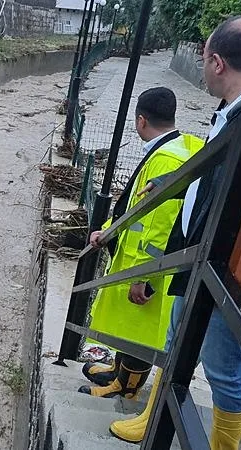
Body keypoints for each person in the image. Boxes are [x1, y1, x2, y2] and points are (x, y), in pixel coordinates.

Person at [108, 16, 241, 448]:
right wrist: (175, 183)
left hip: (228, 265)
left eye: (205, 61)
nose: (203, 70)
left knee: (222, 365)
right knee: (177, 340)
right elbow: (215, 173)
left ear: (217, 62)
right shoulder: (240, 109)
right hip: (200, 251)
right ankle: (153, 418)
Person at [76, 87, 204, 400]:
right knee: (131, 327)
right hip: (139, 261)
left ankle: (126, 387)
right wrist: (107, 230)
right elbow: (135, 206)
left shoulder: (164, 160)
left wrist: (146, 277)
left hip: (145, 265)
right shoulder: (176, 148)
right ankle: (118, 372)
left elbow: (161, 225)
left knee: (139, 330)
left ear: (141, 120)